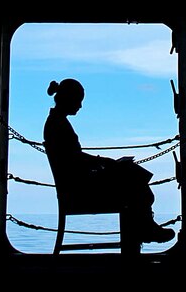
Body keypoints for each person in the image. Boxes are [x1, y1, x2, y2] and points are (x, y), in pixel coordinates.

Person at [43, 78, 175, 243]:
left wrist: (103, 164)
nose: (80, 106)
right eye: (78, 101)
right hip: (80, 190)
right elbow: (74, 159)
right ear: (69, 99)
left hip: (76, 186)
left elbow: (72, 159)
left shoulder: (56, 122)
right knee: (134, 180)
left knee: (132, 177)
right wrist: (104, 162)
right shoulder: (58, 124)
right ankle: (145, 228)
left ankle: (144, 228)